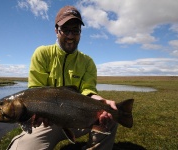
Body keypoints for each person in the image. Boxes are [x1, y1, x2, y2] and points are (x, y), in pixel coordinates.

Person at [8, 5, 118, 150]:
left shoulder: (88, 62)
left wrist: (104, 103)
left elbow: (88, 91)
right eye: (65, 30)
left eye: (75, 30)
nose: (71, 36)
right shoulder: (42, 54)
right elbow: (35, 91)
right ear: (56, 31)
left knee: (111, 117)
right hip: (47, 122)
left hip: (78, 118)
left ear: (80, 32)